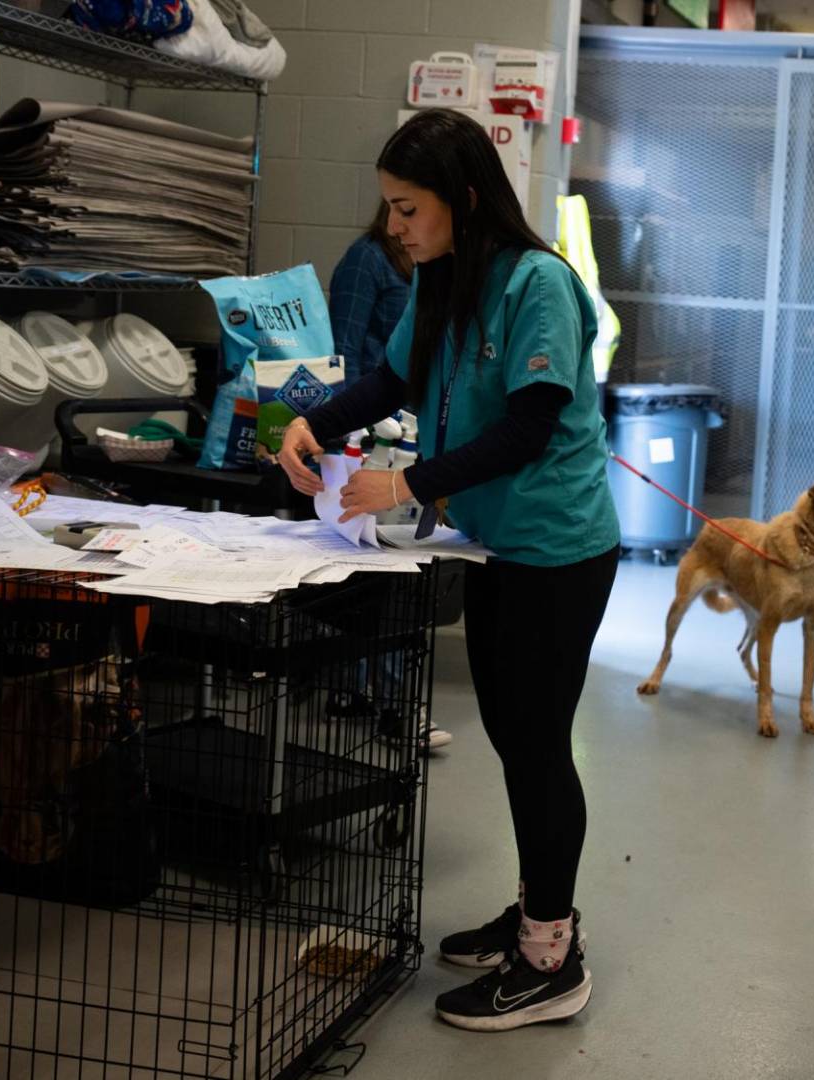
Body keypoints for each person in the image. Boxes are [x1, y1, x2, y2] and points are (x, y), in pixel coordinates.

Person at [280, 109, 622, 1031]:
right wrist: (315, 417)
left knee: (539, 744)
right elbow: (392, 382)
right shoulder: (439, 280)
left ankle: (553, 960)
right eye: (390, 207)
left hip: (559, 548)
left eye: (408, 208)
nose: (394, 227)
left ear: (464, 202)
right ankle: (537, 909)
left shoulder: (536, 284)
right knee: (516, 738)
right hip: (494, 544)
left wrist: (409, 481)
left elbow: (529, 425)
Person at [326, 205, 453, 754]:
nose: (404, 224)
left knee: (399, 573)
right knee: (376, 569)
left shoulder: (430, 268)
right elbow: (347, 352)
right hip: (371, 440)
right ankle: (388, 703)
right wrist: (343, 436)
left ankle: (379, 696)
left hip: (414, 441)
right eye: (398, 209)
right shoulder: (367, 260)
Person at [329, 203, 414, 388]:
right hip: (376, 400)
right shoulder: (367, 257)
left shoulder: (431, 259)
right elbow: (344, 350)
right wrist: (351, 414)